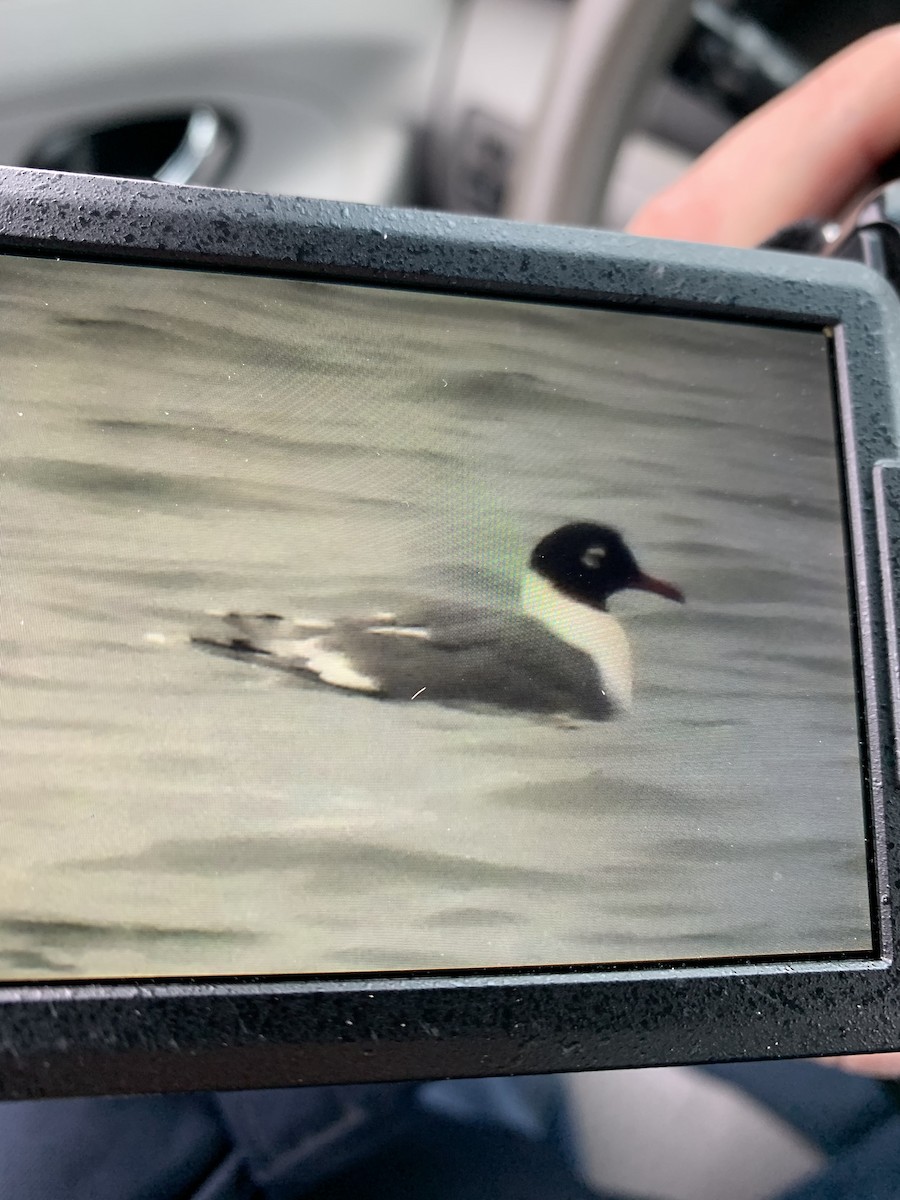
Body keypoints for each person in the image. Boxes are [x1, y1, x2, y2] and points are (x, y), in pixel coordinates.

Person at [4, 23, 900, 1200]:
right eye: (617, 569)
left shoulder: (554, 647)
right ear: (584, 579)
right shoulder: (575, 672)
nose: (639, 583)